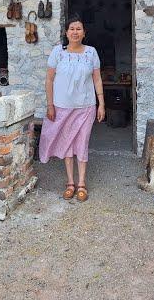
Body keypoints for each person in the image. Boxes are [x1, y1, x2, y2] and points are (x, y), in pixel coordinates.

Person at [39, 14, 106, 201]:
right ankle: (70, 182)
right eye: (72, 29)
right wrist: (50, 104)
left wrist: (102, 104)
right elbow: (49, 79)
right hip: (62, 107)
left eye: (79, 29)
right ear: (66, 32)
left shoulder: (91, 52)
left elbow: (97, 79)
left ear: (84, 32)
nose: (75, 32)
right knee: (67, 143)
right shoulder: (57, 52)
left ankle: (82, 183)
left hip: (86, 107)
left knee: (82, 143)